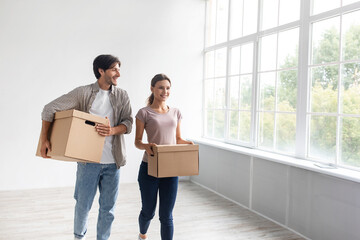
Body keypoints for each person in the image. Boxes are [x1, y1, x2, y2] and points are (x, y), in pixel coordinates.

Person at [39, 54, 133, 240]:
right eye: (114, 69)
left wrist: (111, 130)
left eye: (119, 69)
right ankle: (78, 237)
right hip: (88, 162)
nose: (118, 74)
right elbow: (48, 109)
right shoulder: (83, 93)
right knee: (83, 205)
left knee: (108, 209)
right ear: (101, 70)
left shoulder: (122, 95)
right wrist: (45, 139)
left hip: (113, 162)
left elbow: (128, 123)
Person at [134, 73, 193, 240]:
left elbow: (178, 138)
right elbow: (137, 142)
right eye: (161, 87)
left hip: (170, 169)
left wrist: (189, 145)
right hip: (149, 169)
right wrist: (147, 146)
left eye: (167, 88)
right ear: (152, 89)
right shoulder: (143, 113)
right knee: (148, 211)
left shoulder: (175, 112)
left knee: (166, 216)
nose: (164, 91)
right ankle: (142, 234)